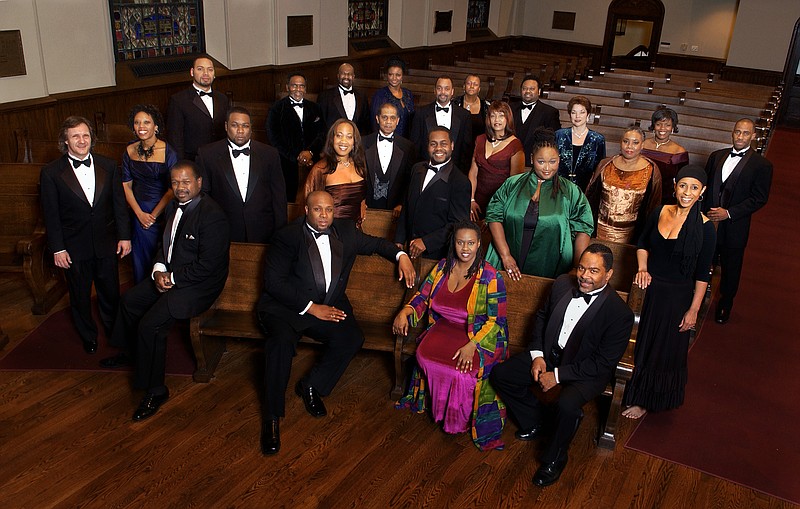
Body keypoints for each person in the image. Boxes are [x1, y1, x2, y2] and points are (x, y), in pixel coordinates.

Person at [256, 190, 416, 455]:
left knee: (351, 338)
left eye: (328, 210)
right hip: (286, 308)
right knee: (280, 344)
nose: (324, 215)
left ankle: (311, 385)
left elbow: (377, 245)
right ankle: (271, 417)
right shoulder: (287, 236)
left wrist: (401, 256)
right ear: (306, 210)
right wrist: (311, 308)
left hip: (328, 305)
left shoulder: (346, 232)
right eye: (317, 209)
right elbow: (274, 283)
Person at [490, 244, 634, 486]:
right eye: (581, 268)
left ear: (608, 275)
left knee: (567, 406)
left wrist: (556, 375)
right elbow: (541, 317)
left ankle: (554, 458)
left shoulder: (620, 314)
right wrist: (537, 355)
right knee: (501, 375)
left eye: (594, 271)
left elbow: (601, 363)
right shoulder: (561, 284)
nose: (584, 276)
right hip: (548, 354)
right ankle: (534, 420)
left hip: (585, 370)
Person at [108, 161, 230, 419]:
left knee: (151, 325)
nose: (180, 188)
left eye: (186, 182)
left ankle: (155, 389)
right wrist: (158, 270)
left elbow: (208, 267)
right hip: (171, 275)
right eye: (175, 183)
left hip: (198, 286)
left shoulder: (213, 216)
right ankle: (135, 352)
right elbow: (166, 246)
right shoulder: (173, 206)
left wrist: (171, 278)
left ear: (199, 183)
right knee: (130, 301)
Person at [393, 220, 508, 451]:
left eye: (471, 243)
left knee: (462, 372)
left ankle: (458, 421)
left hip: (478, 335)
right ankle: (439, 411)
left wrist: (472, 345)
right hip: (444, 328)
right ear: (453, 243)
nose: (465, 248)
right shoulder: (442, 267)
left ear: (478, 245)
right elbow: (422, 296)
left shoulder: (490, 275)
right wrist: (406, 310)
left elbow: (496, 321)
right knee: (426, 357)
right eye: (460, 242)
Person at [622, 165, 716, 419]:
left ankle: (644, 401)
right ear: (675, 185)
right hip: (648, 289)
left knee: (660, 348)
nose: (687, 192)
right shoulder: (660, 211)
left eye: (694, 188)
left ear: (702, 191)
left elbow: (701, 274)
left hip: (676, 297)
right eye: (683, 185)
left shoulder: (706, 228)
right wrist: (642, 268)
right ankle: (627, 390)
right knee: (638, 341)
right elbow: (642, 244)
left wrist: (694, 309)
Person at [40, 116, 131, 355]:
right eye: (75, 136)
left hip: (106, 243)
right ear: (66, 142)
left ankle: (115, 333)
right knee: (79, 296)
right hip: (73, 247)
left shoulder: (109, 166)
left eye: (85, 135)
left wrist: (124, 237)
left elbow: (118, 205)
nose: (82, 141)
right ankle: (88, 336)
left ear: (92, 138)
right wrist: (58, 249)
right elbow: (51, 215)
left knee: (110, 292)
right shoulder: (51, 173)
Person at [485, 128, 593, 280]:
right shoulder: (512, 184)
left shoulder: (571, 191)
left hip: (551, 264)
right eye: (541, 162)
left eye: (553, 162)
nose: (547, 168)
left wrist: (577, 267)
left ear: (559, 159)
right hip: (509, 258)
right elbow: (493, 216)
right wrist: (506, 256)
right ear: (531, 158)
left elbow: (584, 227)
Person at [702, 118, 772, 324]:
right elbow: (706, 187)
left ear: (753, 136)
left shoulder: (762, 165)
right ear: (732, 133)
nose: (740, 137)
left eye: (745, 133)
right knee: (703, 258)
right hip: (708, 221)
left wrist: (729, 213)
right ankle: (697, 296)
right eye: (737, 132)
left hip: (735, 225)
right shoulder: (716, 156)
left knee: (732, 266)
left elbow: (759, 198)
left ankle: (725, 303)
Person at [197, 106, 287, 243]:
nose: (240, 131)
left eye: (245, 126)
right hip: (222, 230)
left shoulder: (270, 154)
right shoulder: (207, 154)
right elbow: (204, 196)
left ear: (251, 128)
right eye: (235, 125)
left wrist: (281, 233)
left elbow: (279, 196)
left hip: (263, 230)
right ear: (226, 126)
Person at [395, 127, 472, 260]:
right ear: (428, 146)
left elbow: (457, 225)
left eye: (443, 144)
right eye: (433, 144)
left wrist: (426, 242)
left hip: (437, 255)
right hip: (408, 250)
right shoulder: (416, 169)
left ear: (452, 146)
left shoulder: (461, 182)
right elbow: (406, 207)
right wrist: (399, 239)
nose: (438, 148)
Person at [122, 104, 178, 283]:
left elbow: (172, 189)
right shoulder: (129, 150)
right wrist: (139, 214)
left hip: (161, 210)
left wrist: (152, 216)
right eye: (137, 123)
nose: (141, 127)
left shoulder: (168, 151)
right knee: (140, 255)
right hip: (138, 210)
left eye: (146, 122)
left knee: (160, 254)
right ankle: (141, 292)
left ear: (156, 126)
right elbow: (126, 185)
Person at [586, 126, 662, 244]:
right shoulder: (605, 165)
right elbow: (591, 199)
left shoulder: (651, 170)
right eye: (626, 141)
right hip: (599, 230)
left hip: (630, 235)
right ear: (620, 143)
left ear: (642, 145)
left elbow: (652, 207)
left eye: (635, 142)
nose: (629, 146)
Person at [266, 72, 326, 202]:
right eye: (294, 86)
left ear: (305, 88)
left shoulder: (315, 108)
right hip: (286, 162)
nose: (298, 90)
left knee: (314, 197)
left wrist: (310, 152)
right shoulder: (276, 109)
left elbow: (322, 133)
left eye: (301, 86)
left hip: (313, 161)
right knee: (288, 197)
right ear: (287, 87)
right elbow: (273, 138)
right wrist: (295, 156)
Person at [468, 100, 524, 221]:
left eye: (501, 115)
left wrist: (496, 210)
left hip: (500, 204)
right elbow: (473, 173)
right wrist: (471, 200)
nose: (496, 120)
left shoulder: (515, 145)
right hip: (476, 201)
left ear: (507, 118)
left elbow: (514, 184)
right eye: (493, 115)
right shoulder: (480, 139)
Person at [303, 119, 367, 225]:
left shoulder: (360, 166)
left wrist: (363, 204)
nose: (343, 141)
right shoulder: (320, 169)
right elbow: (307, 206)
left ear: (354, 142)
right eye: (339, 135)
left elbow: (362, 197)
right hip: (330, 232)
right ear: (332, 139)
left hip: (355, 233)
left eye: (349, 136)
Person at [166, 55, 229, 161]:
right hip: (193, 160)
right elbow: (175, 138)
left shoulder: (223, 98)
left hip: (220, 159)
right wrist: (182, 165)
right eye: (200, 69)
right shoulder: (178, 100)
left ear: (214, 74)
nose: (206, 73)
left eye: (210, 70)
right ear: (192, 72)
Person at [363, 102, 416, 217]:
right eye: (384, 117)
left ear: (397, 121)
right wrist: (361, 201)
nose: (388, 122)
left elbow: (409, 180)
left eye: (392, 118)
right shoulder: (363, 143)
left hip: (394, 209)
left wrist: (402, 204)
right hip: (367, 207)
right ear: (377, 119)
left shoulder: (408, 147)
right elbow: (357, 175)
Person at [411, 75, 473, 171]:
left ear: (452, 91)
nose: (443, 92)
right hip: (426, 169)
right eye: (439, 88)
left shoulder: (464, 115)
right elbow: (415, 146)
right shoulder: (421, 113)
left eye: (446, 89)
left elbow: (466, 149)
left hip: (454, 171)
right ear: (434, 90)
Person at [554, 96, 606, 191]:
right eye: (574, 112)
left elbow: (599, 170)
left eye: (582, 112)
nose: (577, 116)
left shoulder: (597, 139)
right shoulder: (559, 135)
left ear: (588, 115)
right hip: (559, 187)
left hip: (585, 190)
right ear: (570, 115)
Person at [641, 107, 689, 202]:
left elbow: (682, 179)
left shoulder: (679, 151)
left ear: (672, 127)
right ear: (653, 126)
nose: (662, 129)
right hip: (639, 192)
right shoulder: (642, 144)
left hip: (664, 197)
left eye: (667, 125)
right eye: (658, 124)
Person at [511, 76, 561, 164]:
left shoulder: (550, 112)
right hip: (509, 160)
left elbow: (553, 141)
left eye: (531, 89)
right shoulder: (510, 108)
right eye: (524, 88)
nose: (527, 91)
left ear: (539, 91)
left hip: (534, 163)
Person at [317, 63, 371, 135]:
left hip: (356, 142)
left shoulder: (362, 96)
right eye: (343, 74)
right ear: (338, 76)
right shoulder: (325, 96)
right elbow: (321, 125)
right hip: (333, 142)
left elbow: (366, 123)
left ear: (353, 77)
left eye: (349, 74)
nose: (346, 77)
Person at [370, 57, 415, 139]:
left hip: (407, 141)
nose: (394, 78)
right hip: (388, 139)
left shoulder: (408, 94)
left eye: (398, 75)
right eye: (391, 74)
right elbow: (374, 123)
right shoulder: (380, 95)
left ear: (402, 77)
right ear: (387, 75)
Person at [453, 74, 490, 158]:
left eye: (475, 84)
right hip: (457, 148)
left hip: (478, 149)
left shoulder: (486, 107)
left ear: (479, 89)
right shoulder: (454, 103)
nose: (472, 86)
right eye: (469, 83)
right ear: (464, 86)